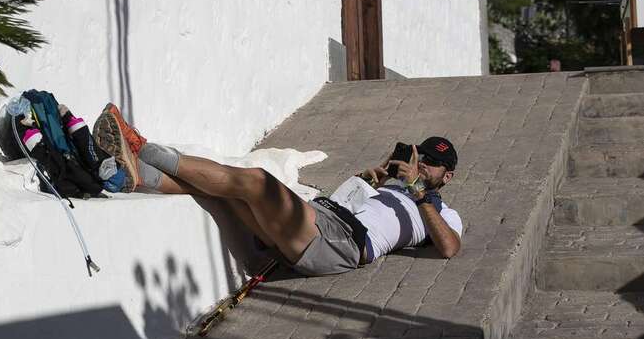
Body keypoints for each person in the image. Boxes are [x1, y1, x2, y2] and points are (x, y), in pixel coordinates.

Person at [93, 104, 462, 276]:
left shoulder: (443, 213)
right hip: (323, 218)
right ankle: (137, 176)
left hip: (343, 243)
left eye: (433, 163)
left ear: (447, 177)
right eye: (422, 156)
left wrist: (417, 190)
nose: (423, 164)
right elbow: (339, 203)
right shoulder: (393, 190)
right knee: (226, 190)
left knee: (255, 179)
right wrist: (366, 181)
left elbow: (449, 248)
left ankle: (143, 148)